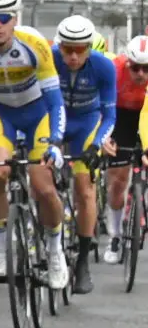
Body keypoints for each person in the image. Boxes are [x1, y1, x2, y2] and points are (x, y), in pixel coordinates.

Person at [0, 0, 68, 290]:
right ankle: (1, 250)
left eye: (4, 18)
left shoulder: (34, 44)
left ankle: (55, 251)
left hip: (38, 114)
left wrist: (55, 141)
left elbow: (55, 100)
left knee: (43, 185)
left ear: (15, 18)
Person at [52, 15, 116, 294]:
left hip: (86, 124)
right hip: (54, 120)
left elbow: (110, 114)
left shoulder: (103, 66)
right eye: (68, 49)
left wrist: (96, 145)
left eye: (80, 50)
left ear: (89, 47)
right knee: (39, 175)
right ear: (60, 46)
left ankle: (82, 263)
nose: (74, 56)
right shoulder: (49, 59)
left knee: (85, 189)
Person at [104, 35, 148, 262]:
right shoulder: (114, 70)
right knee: (118, 179)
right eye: (135, 68)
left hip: (146, 115)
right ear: (127, 63)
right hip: (119, 117)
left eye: (146, 69)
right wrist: (105, 136)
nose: (140, 74)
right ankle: (115, 235)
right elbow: (104, 106)